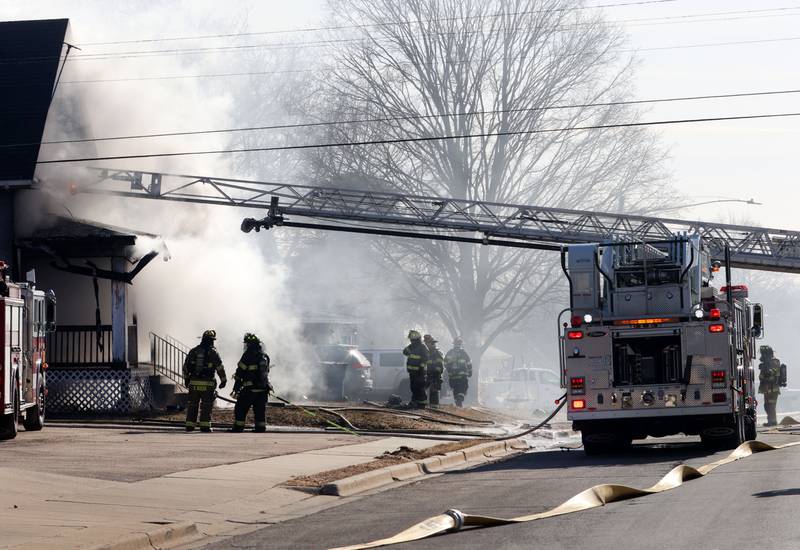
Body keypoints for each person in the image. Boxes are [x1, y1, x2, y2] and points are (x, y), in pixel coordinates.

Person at [183, 329, 226, 432]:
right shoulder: (213, 353)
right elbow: (220, 368)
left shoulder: (193, 351)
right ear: (212, 341)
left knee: (192, 405)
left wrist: (186, 379)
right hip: (208, 385)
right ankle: (205, 426)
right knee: (206, 406)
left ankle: (190, 425)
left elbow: (185, 367)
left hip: (194, 384)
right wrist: (223, 380)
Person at [231, 333, 271, 433]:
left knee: (240, 408)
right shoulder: (265, 356)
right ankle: (260, 427)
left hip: (249, 390)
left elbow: (239, 373)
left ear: (249, 345)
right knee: (260, 411)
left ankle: (238, 427)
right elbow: (266, 374)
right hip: (263, 390)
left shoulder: (247, 356)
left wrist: (236, 388)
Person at [403, 330, 429, 408]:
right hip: (412, 372)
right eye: (411, 340)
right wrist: (410, 347)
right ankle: (415, 402)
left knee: (420, 387)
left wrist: (421, 367)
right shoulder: (412, 346)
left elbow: (425, 358)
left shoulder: (423, 347)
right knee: (413, 387)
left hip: (420, 372)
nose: (411, 341)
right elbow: (404, 352)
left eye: (412, 340)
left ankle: (422, 404)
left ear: (416, 339)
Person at [758, 345, 783, 427]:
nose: (762, 355)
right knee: (767, 405)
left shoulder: (775, 361)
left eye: (764, 353)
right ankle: (770, 420)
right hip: (766, 388)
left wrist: (765, 368)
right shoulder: (766, 362)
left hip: (772, 388)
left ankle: (772, 421)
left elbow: (773, 372)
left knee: (771, 405)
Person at [445, 337, 472, 407]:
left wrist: (449, 370)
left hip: (453, 377)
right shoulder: (463, 352)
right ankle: (459, 400)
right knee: (462, 389)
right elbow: (469, 363)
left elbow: (445, 363)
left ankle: (458, 402)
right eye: (458, 343)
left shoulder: (450, 352)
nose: (458, 345)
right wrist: (470, 371)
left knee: (457, 390)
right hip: (461, 376)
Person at [423, 334, 444, 408]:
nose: (426, 345)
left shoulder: (437, 353)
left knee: (433, 390)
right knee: (422, 389)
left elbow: (440, 365)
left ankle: (434, 407)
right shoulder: (427, 353)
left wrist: (436, 373)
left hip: (435, 375)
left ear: (431, 343)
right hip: (428, 375)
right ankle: (422, 405)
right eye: (426, 343)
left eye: (427, 343)